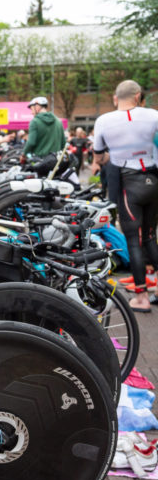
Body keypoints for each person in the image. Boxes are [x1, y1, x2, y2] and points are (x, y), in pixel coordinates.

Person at [91, 80, 158, 312]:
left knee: (134, 240)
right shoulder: (153, 115)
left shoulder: (104, 120)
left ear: (115, 98)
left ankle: (141, 297)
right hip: (153, 180)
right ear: (138, 96)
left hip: (129, 183)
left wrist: (112, 156)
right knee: (149, 236)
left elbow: (99, 157)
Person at [22, 96, 65, 161]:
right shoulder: (58, 121)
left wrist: (24, 154)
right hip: (56, 161)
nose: (31, 112)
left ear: (37, 107)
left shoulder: (35, 122)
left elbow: (31, 142)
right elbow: (63, 143)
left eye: (32, 109)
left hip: (41, 161)